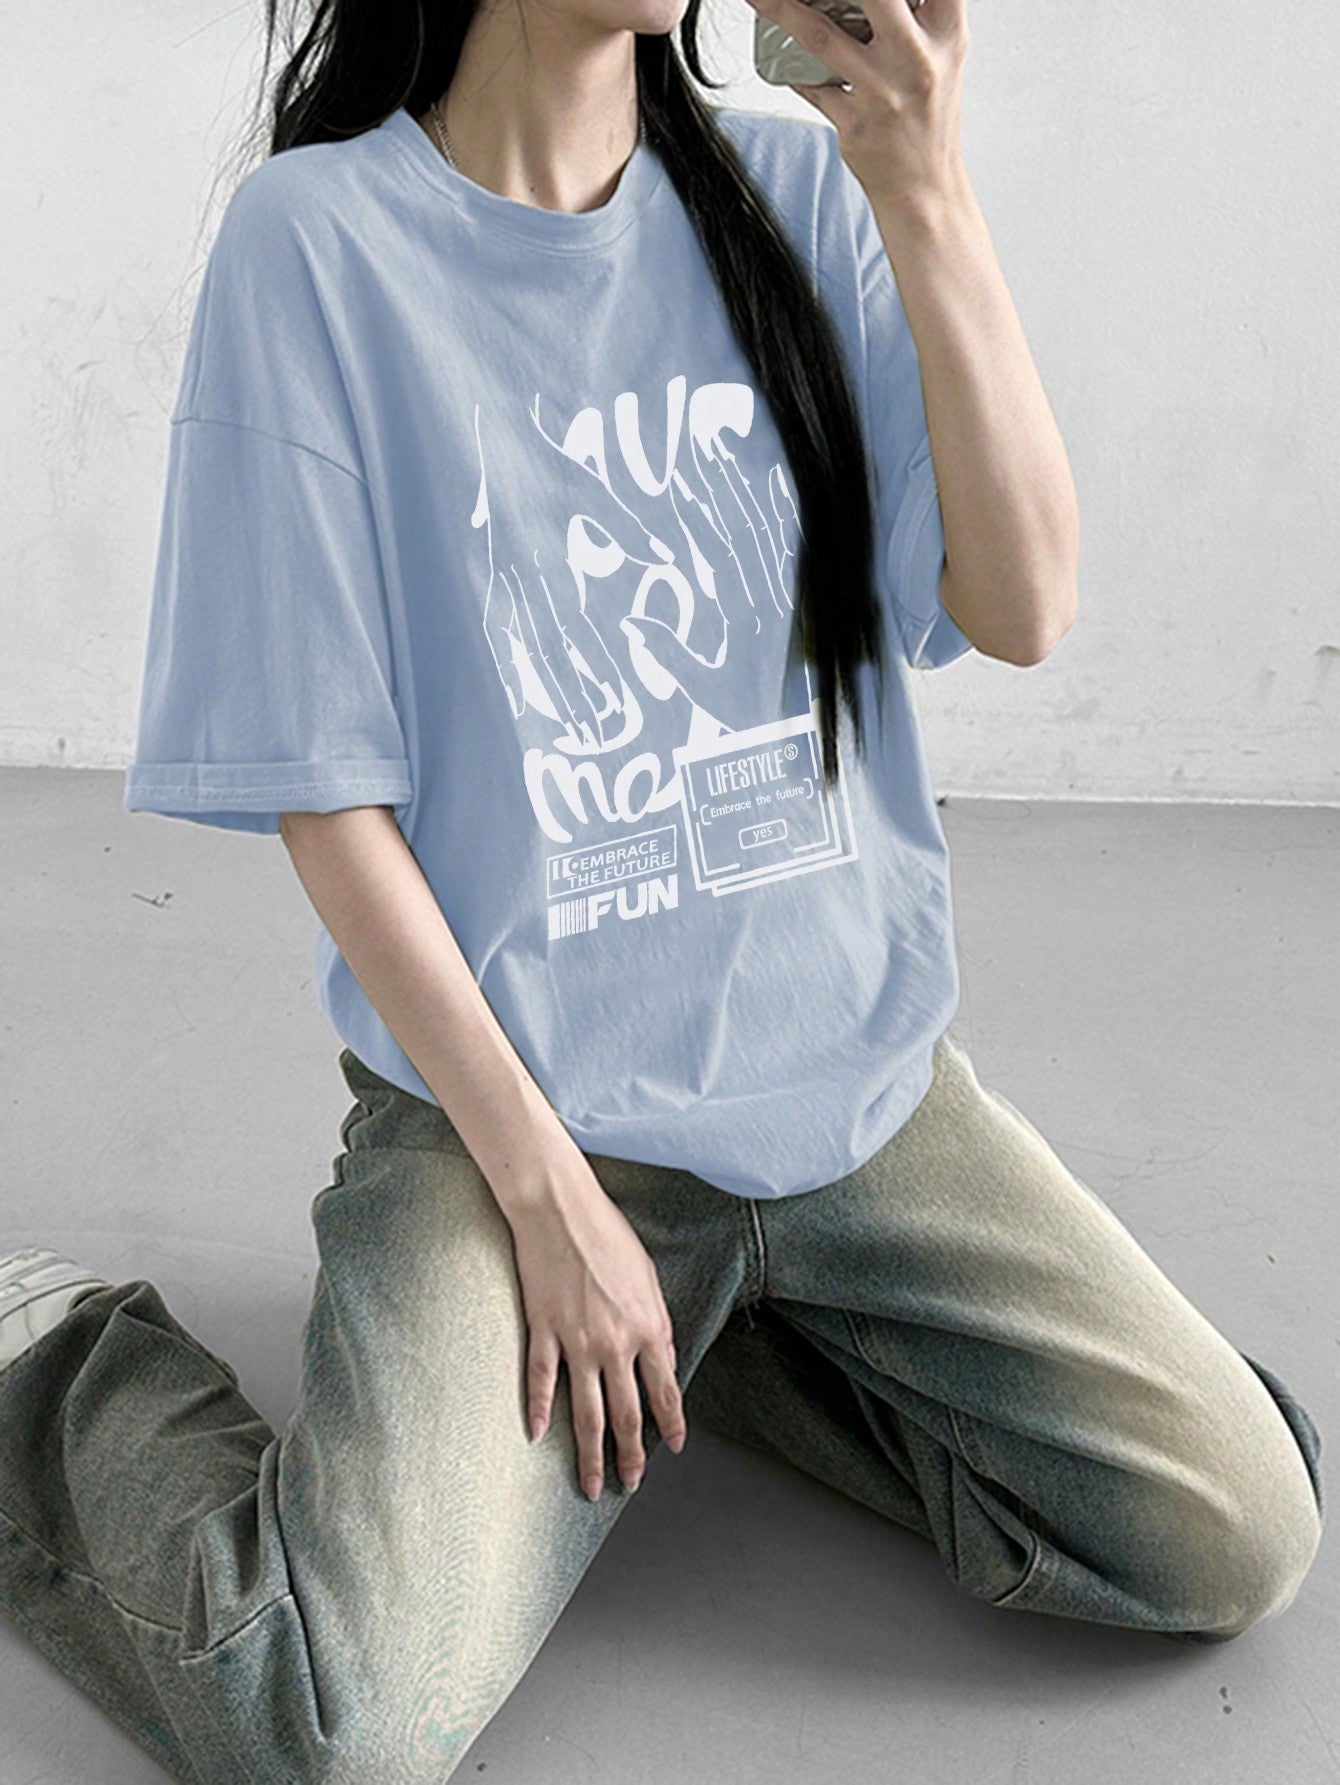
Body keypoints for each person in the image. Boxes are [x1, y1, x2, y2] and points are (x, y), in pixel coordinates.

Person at [0, 0, 1323, 1777]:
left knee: (1234, 1529)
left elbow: (1023, 605)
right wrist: (549, 1197)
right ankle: (45, 1370)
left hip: (849, 1092)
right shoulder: (316, 242)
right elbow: (330, 796)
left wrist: (925, 184)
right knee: (340, 1722)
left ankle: (728, 1328)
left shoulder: (802, 192)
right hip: (515, 1116)